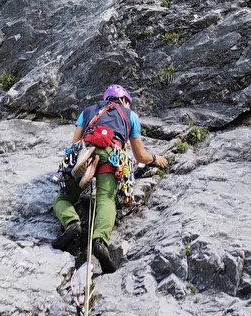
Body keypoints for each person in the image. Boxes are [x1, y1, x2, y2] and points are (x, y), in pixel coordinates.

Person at [51, 84, 168, 273]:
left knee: (63, 198)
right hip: (111, 156)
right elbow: (140, 156)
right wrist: (155, 159)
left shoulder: (88, 111)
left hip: (84, 151)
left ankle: (72, 224)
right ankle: (100, 242)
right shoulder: (130, 116)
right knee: (106, 199)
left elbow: (73, 144)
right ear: (124, 100)